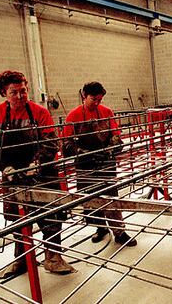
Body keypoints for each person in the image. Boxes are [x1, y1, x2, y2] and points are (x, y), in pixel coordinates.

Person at [0, 70, 75, 277]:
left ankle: (53, 258)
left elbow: (52, 143)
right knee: (18, 218)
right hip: (12, 173)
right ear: (3, 93)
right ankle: (22, 260)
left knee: (51, 215)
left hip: (43, 173)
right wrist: (5, 167)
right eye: (13, 92)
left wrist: (37, 163)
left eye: (23, 91)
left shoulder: (39, 112)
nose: (19, 96)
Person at [62, 82, 137, 246]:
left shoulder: (107, 112)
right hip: (85, 164)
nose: (97, 103)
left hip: (105, 162)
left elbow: (116, 136)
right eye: (93, 99)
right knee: (91, 199)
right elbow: (66, 144)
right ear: (84, 96)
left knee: (110, 197)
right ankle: (100, 227)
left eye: (100, 99)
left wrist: (112, 147)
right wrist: (82, 153)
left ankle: (119, 232)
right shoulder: (73, 116)